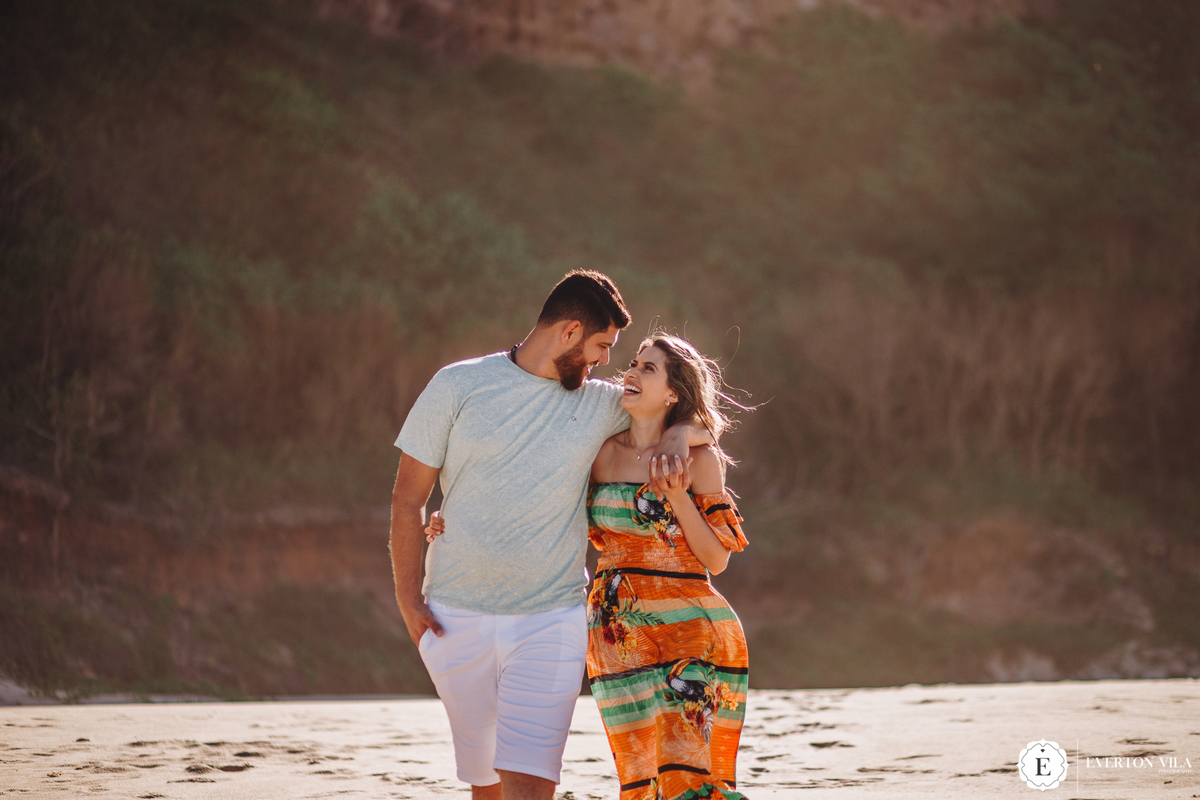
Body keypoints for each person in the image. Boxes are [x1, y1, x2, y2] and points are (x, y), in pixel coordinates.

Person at [388, 270, 712, 800]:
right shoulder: (457, 385)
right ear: (569, 332)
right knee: (487, 783)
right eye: (601, 346)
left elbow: (687, 412)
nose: (606, 362)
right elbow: (407, 499)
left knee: (530, 783)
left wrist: (678, 433)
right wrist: (406, 599)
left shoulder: (602, 402)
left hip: (551, 619)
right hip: (454, 618)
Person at [585, 333, 749, 800]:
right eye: (633, 364)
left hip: (691, 627)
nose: (630, 373)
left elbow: (716, 560)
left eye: (648, 368)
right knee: (638, 770)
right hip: (616, 630)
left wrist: (677, 496)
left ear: (673, 392)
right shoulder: (601, 455)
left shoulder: (699, 460)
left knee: (687, 771)